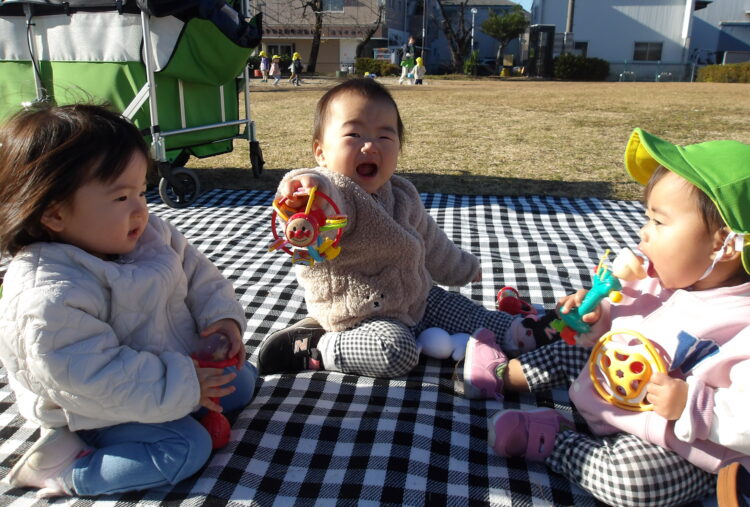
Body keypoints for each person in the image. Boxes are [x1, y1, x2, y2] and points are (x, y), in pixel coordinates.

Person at [462, 128, 750, 506]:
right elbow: (621, 321)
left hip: (676, 446)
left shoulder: (740, 325)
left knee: (636, 483)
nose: (644, 233)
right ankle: (504, 374)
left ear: (724, 244)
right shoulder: (661, 279)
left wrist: (692, 407)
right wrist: (596, 314)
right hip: (611, 391)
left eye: (659, 222)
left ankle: (556, 440)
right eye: (646, 218)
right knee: (573, 351)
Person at [0, 104, 257, 498]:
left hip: (167, 371)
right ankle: (65, 467)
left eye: (141, 190)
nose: (142, 208)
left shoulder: (149, 234)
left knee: (241, 382)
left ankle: (182, 399)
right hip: (92, 407)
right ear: (54, 214)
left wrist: (222, 320)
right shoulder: (49, 293)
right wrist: (185, 385)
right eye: (121, 197)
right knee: (186, 448)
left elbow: (200, 275)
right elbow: (94, 378)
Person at [255, 78, 550, 379]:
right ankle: (316, 346)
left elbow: (431, 241)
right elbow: (321, 212)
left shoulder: (402, 193)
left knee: (466, 311)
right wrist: (308, 190)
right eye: (354, 134)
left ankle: (521, 333)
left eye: (385, 136)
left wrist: (464, 267)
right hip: (358, 313)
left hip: (416, 298)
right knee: (396, 352)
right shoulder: (336, 193)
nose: (370, 145)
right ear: (321, 152)